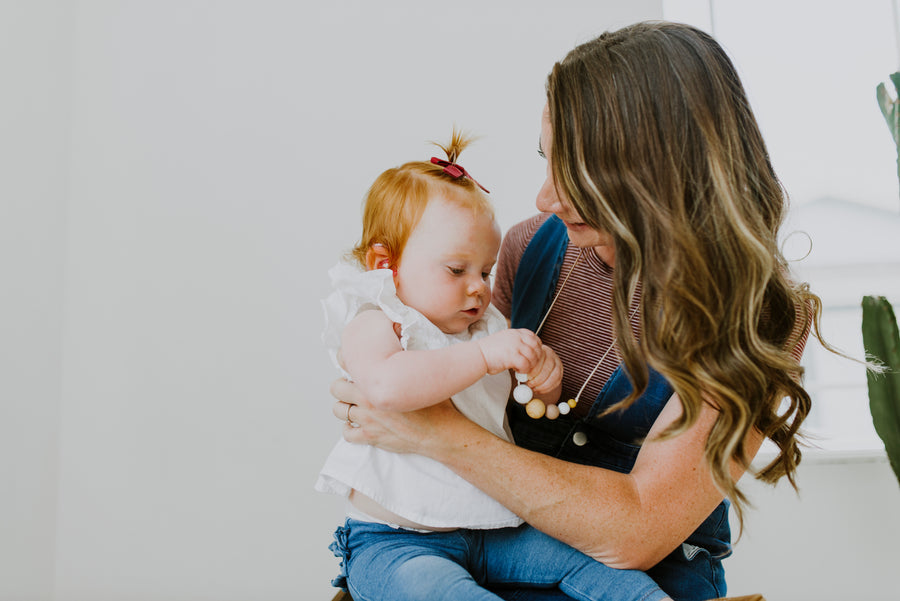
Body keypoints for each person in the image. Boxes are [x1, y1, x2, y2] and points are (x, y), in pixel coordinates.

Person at [332, 21, 827, 601]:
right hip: (492, 556)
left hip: (639, 581)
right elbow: (459, 391)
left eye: (576, 171)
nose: (544, 197)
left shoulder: (764, 316)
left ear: (658, 171)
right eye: (547, 160)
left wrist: (432, 431)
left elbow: (637, 532)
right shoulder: (526, 248)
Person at [316, 130, 672, 601]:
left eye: (486, 270)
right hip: (399, 540)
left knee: (588, 564)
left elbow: (513, 406)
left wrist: (542, 381)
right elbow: (385, 388)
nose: (479, 287)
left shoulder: (484, 326)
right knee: (440, 592)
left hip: (493, 524)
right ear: (387, 265)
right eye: (456, 270)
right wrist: (485, 356)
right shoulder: (378, 319)